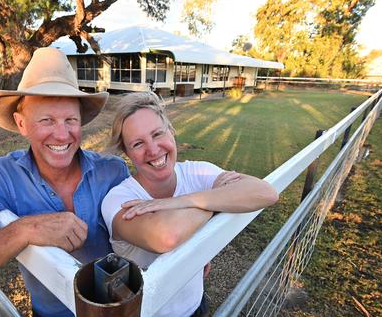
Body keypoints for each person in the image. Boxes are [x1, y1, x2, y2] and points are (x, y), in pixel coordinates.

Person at [0, 47, 129, 317]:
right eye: (46, 120)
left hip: (118, 307)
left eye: (70, 120)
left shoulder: (113, 171)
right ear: (21, 124)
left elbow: (142, 227)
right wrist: (24, 230)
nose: (62, 135)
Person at [101, 92, 279, 317]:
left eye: (158, 133)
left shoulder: (196, 171)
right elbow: (167, 236)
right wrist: (218, 198)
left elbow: (265, 192)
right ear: (127, 153)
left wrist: (182, 201)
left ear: (171, 131)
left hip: (196, 305)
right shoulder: (118, 200)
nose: (153, 150)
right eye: (138, 143)